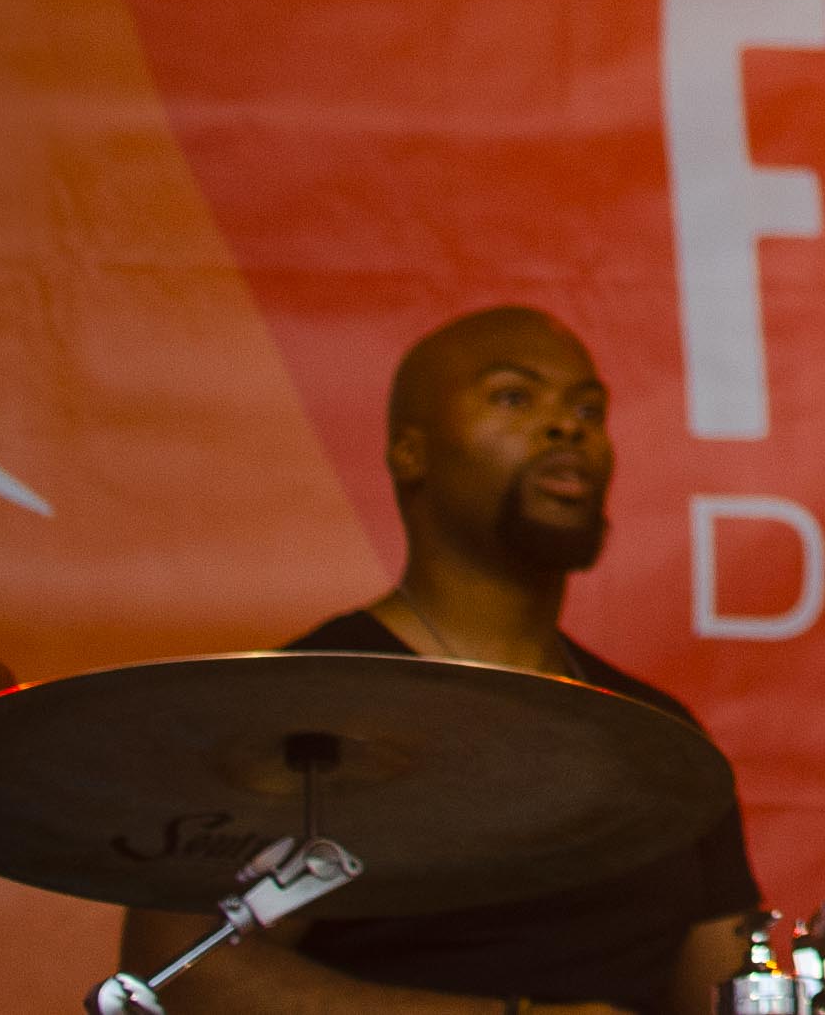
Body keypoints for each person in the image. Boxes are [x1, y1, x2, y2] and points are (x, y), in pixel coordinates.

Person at [116, 307, 765, 1015]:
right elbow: (183, 974)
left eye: (588, 409)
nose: (566, 426)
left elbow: (720, 995)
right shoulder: (302, 707)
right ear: (410, 453)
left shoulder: (662, 739)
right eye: (513, 397)